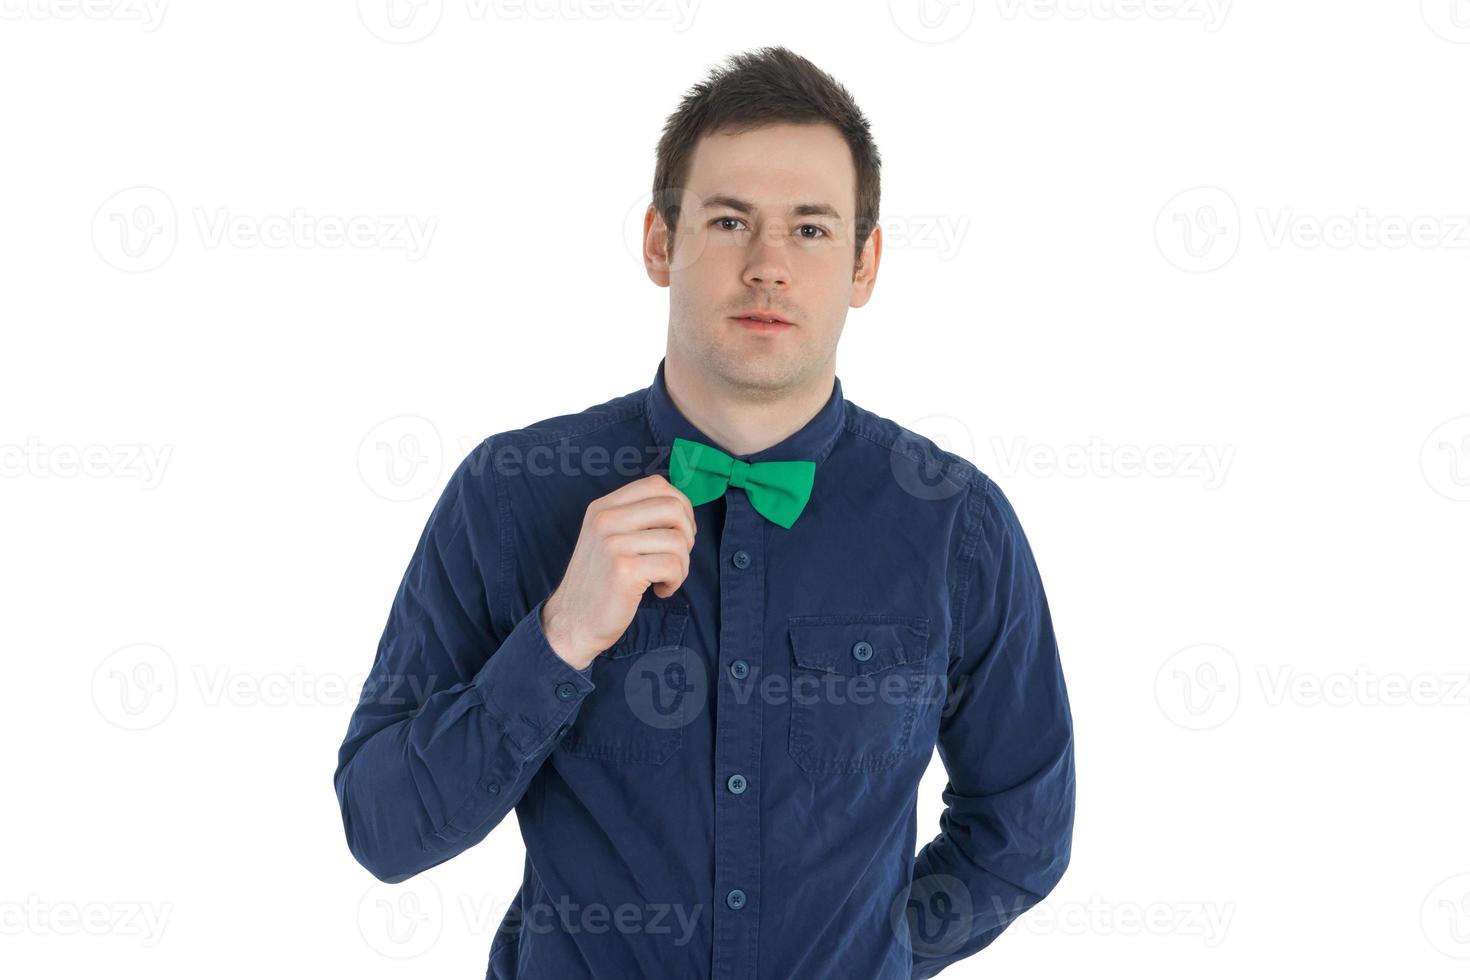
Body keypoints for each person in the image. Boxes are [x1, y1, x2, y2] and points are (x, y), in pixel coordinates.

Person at [332, 45, 1074, 979]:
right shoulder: (512, 492)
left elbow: (1022, 833)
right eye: (729, 221)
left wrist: (872, 955)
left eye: (810, 230)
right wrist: (560, 639)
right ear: (658, 242)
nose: (767, 267)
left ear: (864, 262)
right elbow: (383, 828)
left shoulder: (955, 525)